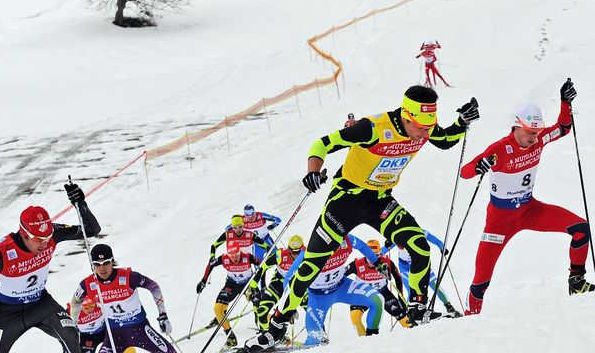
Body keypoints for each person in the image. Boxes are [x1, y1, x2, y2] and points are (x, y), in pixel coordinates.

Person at [243, 84, 479, 352]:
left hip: (379, 201)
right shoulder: (372, 128)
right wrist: (313, 171)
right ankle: (276, 326)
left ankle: (417, 309)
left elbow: (445, 140)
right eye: (421, 128)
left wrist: (462, 122)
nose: (425, 133)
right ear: (406, 114)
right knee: (311, 267)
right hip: (346, 201)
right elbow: (323, 143)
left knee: (419, 245)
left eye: (429, 127)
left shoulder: (424, 125)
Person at [460, 79, 593, 315]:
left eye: (537, 133)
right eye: (530, 133)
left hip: (530, 210)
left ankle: (577, 282)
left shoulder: (539, 139)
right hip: (499, 221)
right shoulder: (500, 149)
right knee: (481, 280)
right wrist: (479, 165)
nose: (534, 138)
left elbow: (563, 128)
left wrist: (565, 102)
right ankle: (470, 320)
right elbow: (466, 172)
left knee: (582, 228)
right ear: (516, 127)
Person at [0, 183, 100, 353]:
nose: (45, 243)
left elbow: (92, 230)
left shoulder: (53, 234)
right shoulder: (1, 253)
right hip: (6, 312)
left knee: (72, 336)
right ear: (24, 234)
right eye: (38, 239)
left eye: (47, 236)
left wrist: (81, 204)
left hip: (40, 304)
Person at [69, 244, 175, 353]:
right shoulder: (88, 284)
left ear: (112, 261)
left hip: (141, 329)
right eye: (97, 264)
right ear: (92, 265)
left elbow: (153, 286)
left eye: (106, 263)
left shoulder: (129, 277)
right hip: (115, 335)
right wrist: (74, 326)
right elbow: (76, 301)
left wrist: (163, 315)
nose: (102, 268)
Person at [284, 234, 383, 346]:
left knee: (377, 300)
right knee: (314, 339)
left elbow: (362, 246)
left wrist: (377, 263)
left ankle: (372, 343)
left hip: (342, 287)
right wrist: (289, 308)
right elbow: (288, 278)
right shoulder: (311, 250)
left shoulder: (348, 240)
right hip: (318, 297)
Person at [196, 241, 261, 348]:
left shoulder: (247, 257)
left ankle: (270, 330)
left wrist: (255, 284)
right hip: (232, 285)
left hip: (248, 285)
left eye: (236, 255)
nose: (234, 258)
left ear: (240, 252)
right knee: (217, 309)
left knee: (260, 308)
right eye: (232, 256)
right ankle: (230, 336)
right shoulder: (224, 258)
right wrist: (203, 281)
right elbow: (211, 264)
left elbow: (263, 266)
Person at [384, 230, 462, 317]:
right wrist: (376, 257)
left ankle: (449, 307)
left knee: (435, 286)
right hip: (406, 268)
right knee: (412, 292)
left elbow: (436, 241)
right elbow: (384, 249)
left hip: (422, 265)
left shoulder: (421, 232)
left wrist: (442, 247)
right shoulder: (398, 234)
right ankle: (412, 314)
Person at [346, 239, 410, 335]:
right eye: (369, 256)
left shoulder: (386, 262)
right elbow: (341, 276)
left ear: (380, 254)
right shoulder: (357, 264)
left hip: (383, 293)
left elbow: (398, 278)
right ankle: (364, 342)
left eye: (376, 255)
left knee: (405, 320)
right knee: (355, 318)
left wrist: (400, 297)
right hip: (362, 295)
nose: (372, 259)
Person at [250, 235, 306, 331]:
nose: (296, 255)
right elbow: (263, 267)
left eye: (298, 252)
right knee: (262, 311)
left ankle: (318, 334)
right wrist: (253, 286)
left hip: (298, 284)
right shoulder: (280, 254)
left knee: (311, 309)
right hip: (279, 283)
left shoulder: (307, 254)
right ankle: (267, 334)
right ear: (289, 249)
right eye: (293, 252)